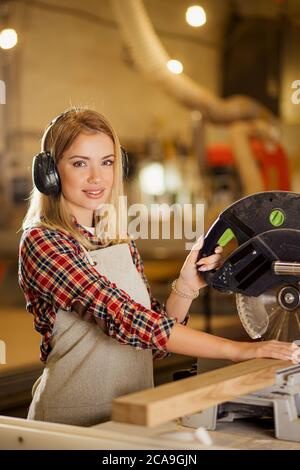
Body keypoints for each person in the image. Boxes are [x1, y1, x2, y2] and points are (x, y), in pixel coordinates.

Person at [18, 107, 300, 427]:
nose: (97, 177)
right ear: (49, 173)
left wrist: (186, 284)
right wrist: (240, 351)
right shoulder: (43, 242)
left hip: (136, 411)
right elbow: (128, 320)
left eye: (107, 162)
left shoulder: (119, 240)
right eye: (80, 163)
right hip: (71, 422)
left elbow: (152, 347)